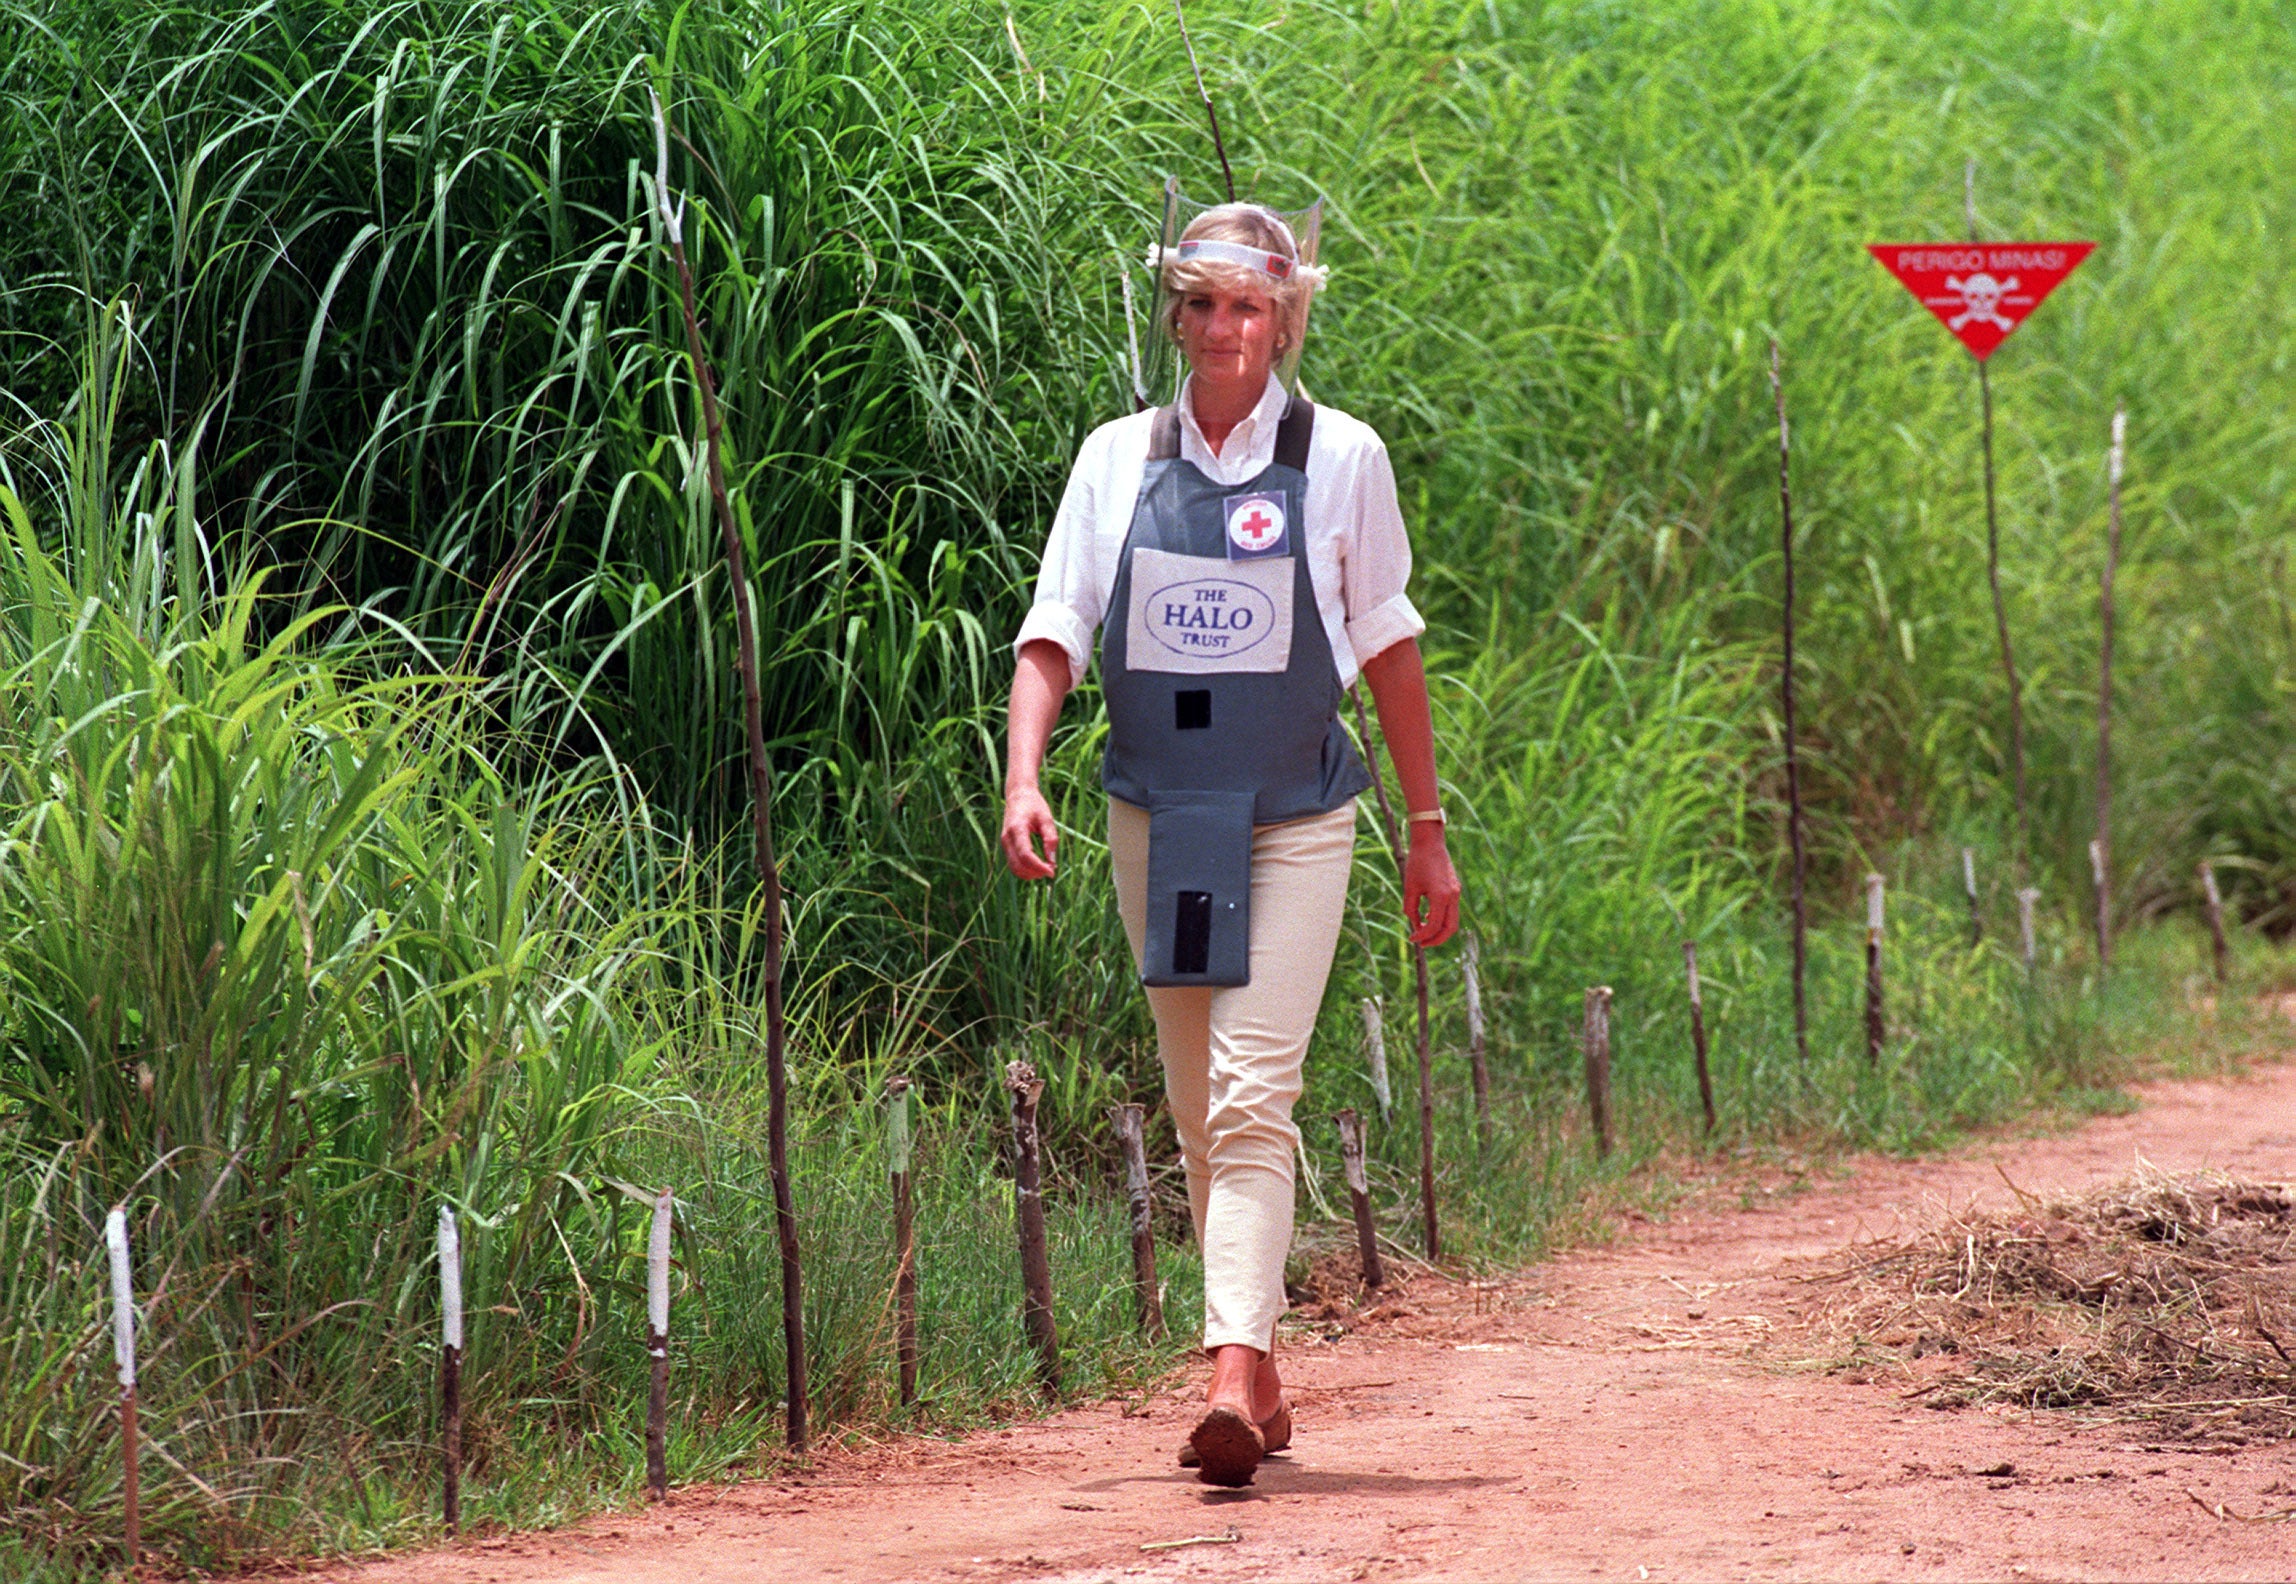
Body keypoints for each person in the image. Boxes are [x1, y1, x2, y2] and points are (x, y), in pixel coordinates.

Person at [1000, 200, 1460, 1487]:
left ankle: (1217, 1371)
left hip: (1298, 817)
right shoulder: (1114, 458)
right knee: (1204, 1105)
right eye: (1199, 304)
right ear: (1175, 312)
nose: (1221, 330)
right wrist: (1022, 774)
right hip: (1160, 814)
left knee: (1258, 1091)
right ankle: (1258, 1368)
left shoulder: (1342, 457)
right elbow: (1055, 625)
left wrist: (1426, 830)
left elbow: (1388, 646)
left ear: (1286, 317)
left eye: (1246, 306)